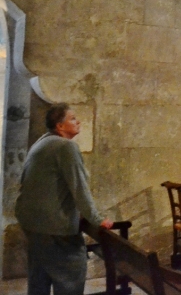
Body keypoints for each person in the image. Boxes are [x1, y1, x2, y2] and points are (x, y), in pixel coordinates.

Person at [15, 103, 113, 295]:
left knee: (39, 280)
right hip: (54, 228)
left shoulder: (43, 142)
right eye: (73, 118)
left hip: (34, 225)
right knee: (71, 275)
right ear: (60, 126)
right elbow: (79, 188)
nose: (78, 121)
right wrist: (97, 218)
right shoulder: (65, 147)